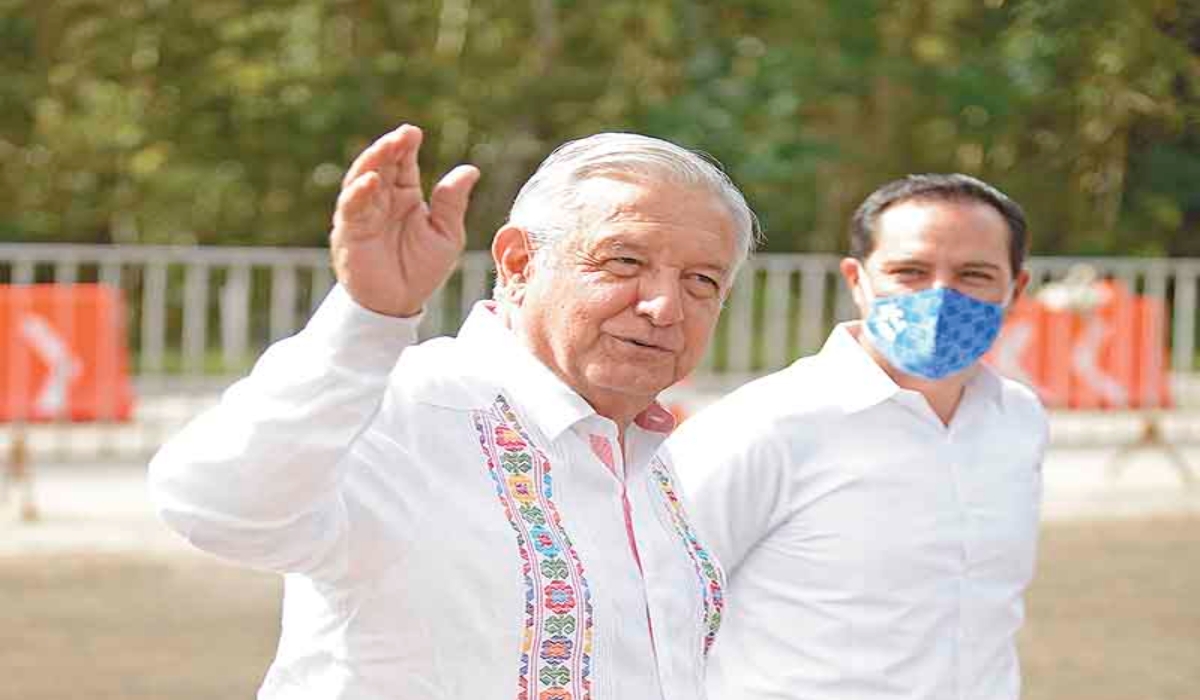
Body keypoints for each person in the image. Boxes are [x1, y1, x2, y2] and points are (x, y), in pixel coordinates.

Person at [149, 123, 758, 700]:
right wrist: (366, 320)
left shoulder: (647, 455)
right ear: (519, 263)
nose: (663, 306)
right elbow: (211, 505)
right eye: (624, 261)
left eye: (702, 281)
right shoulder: (409, 405)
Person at [668, 173, 1049, 700]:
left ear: (1016, 288)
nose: (940, 296)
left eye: (974, 274)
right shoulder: (764, 426)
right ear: (857, 279)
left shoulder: (1019, 421)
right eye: (909, 271)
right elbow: (653, 605)